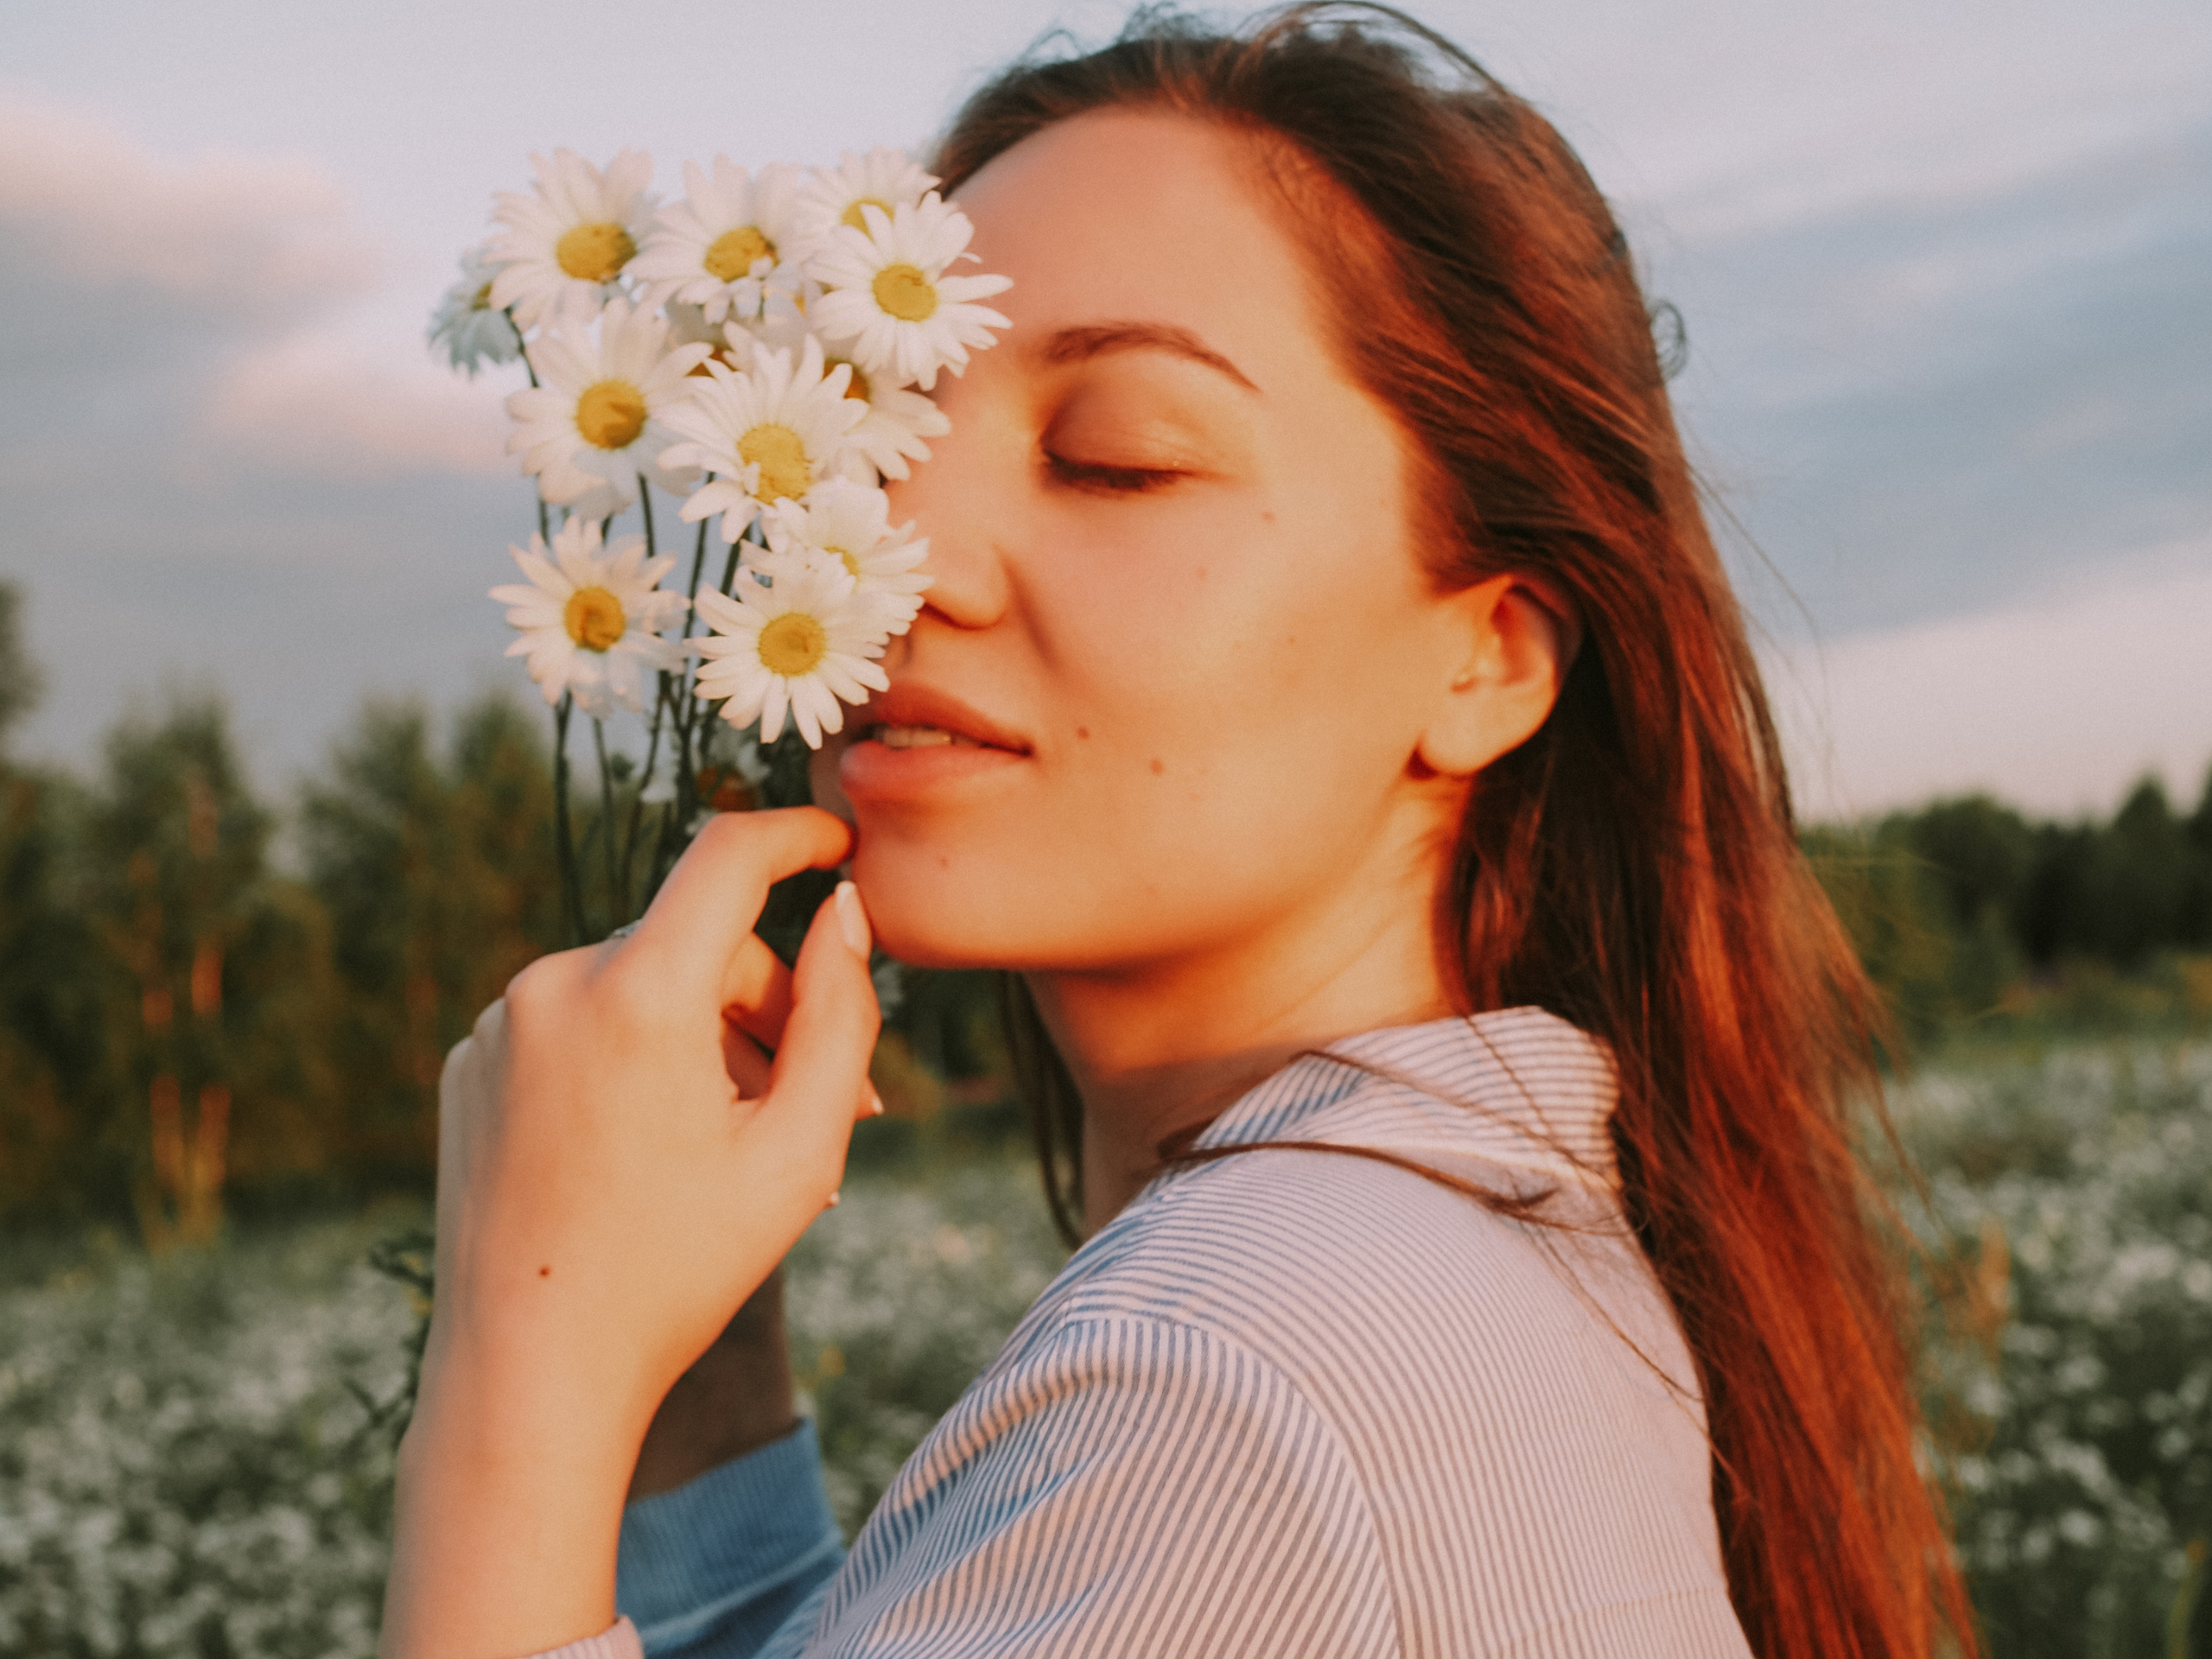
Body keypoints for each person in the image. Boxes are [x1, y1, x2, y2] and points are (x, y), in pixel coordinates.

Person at [379, 7, 1976, 1656]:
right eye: (882, 440)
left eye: (1115, 459)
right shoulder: (1438, 1276)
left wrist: (521, 1376)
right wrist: (681, 1375)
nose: (887, 557)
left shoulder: (1241, 1373)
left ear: (1486, 658)